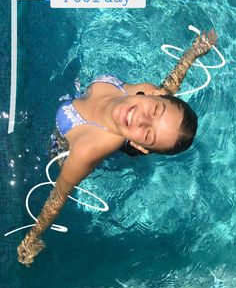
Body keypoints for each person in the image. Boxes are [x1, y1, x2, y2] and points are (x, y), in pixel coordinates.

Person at [17, 30, 217, 267]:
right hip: (80, 93)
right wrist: (191, 55)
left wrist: (33, 237)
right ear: (154, 94)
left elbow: (59, 194)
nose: (142, 119)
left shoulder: (87, 150)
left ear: (139, 146)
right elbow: (169, 89)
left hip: (64, 138)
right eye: (155, 110)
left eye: (148, 135)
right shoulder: (144, 89)